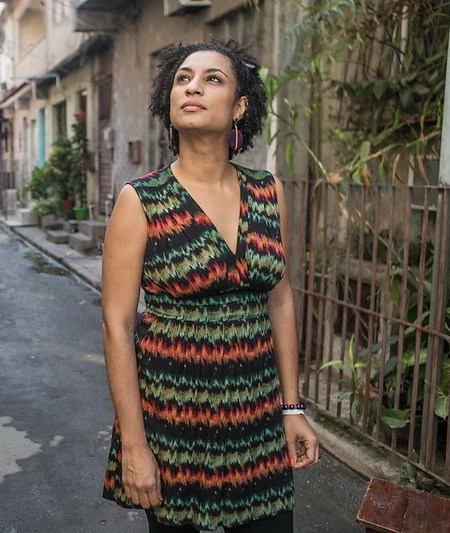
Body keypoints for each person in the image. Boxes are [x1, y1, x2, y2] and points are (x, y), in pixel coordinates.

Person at [101, 39, 320, 533]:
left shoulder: (269, 192)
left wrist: (292, 406)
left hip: (257, 422)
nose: (193, 86)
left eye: (212, 79)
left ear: (240, 106)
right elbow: (116, 324)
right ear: (169, 102)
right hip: (174, 423)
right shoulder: (141, 200)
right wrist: (134, 445)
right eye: (183, 79)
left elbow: (280, 299)